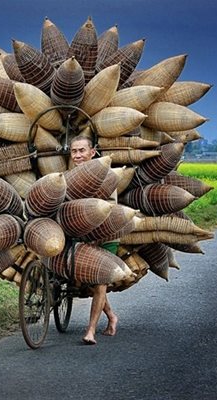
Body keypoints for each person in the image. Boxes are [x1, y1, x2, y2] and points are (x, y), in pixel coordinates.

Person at [69, 135, 118, 345]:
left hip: (106, 234)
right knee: (87, 281)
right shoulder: (70, 176)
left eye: (82, 150)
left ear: (93, 152)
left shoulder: (106, 176)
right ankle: (112, 316)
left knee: (98, 282)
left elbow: (110, 208)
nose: (78, 155)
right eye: (74, 151)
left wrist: (96, 236)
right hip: (84, 236)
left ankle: (90, 331)